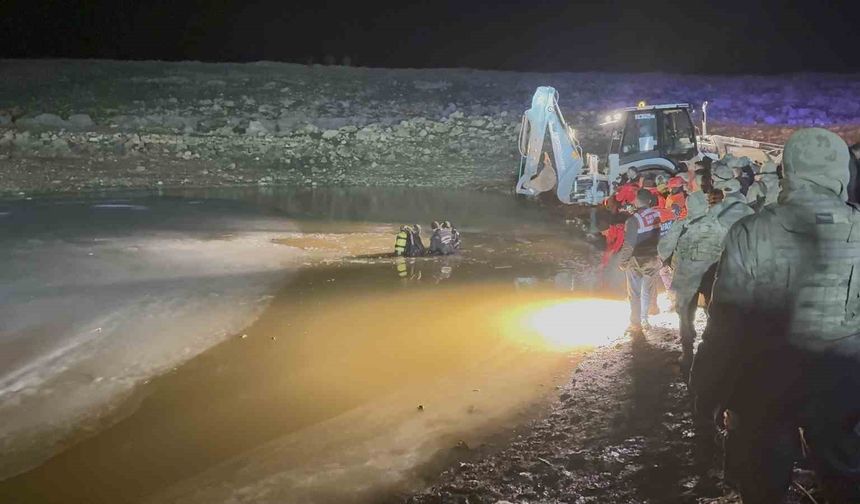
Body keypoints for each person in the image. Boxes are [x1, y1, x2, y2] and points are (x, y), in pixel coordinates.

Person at [691, 128, 860, 503]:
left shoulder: (750, 232)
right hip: (843, 387)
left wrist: (707, 393)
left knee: (763, 486)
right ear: (841, 171)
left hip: (766, 385)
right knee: (847, 483)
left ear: (791, 170)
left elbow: (725, 327)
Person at [616, 189, 663, 335]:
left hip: (636, 259)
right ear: (649, 201)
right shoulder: (656, 214)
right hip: (652, 257)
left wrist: (623, 261)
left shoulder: (633, 220)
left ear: (636, 200)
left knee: (635, 293)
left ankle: (635, 323)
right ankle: (645, 319)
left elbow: (629, 244)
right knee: (647, 291)